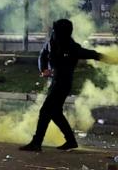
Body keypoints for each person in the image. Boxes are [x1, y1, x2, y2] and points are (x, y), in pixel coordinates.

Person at [19, 19, 103, 152]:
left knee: (45, 111)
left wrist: (112, 58)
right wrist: (43, 69)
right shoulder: (52, 42)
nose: (54, 33)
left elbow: (93, 54)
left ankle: (37, 142)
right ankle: (70, 141)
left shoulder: (72, 47)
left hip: (63, 84)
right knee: (55, 113)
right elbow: (43, 55)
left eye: (57, 31)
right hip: (55, 82)